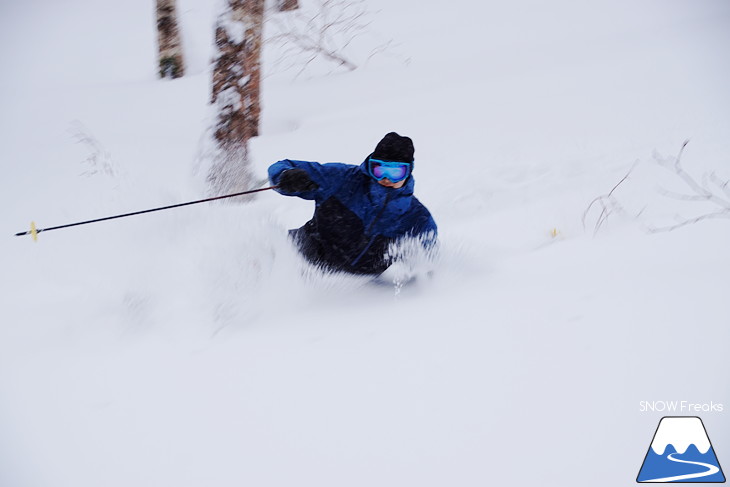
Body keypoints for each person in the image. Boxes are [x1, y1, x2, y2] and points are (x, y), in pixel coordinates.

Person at [268, 132, 437, 275]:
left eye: (395, 172)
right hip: (294, 255)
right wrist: (286, 176)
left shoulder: (417, 219)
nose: (385, 178)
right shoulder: (343, 179)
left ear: (408, 172)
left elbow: (427, 268)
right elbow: (282, 166)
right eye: (379, 169)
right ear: (370, 167)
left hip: (349, 292)